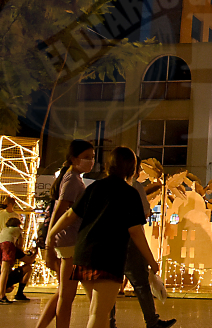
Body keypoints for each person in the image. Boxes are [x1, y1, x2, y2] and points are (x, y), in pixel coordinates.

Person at [47, 147, 159, 328]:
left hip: (83, 256)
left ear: (109, 165)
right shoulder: (130, 194)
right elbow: (135, 232)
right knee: (98, 314)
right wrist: (152, 261)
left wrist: (51, 236)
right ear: (132, 169)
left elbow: (70, 215)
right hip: (108, 258)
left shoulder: (95, 188)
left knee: (100, 312)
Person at [108, 156, 176, 328]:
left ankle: (109, 321)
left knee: (108, 286)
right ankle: (152, 321)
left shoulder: (101, 186)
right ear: (133, 169)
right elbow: (139, 222)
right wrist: (151, 260)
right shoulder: (134, 189)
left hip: (106, 244)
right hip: (130, 244)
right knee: (141, 283)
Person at [36, 139, 95, 328]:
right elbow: (60, 211)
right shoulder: (72, 179)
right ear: (73, 158)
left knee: (64, 292)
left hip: (68, 241)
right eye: (86, 157)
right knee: (66, 296)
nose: (91, 161)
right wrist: (49, 243)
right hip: (69, 242)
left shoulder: (72, 177)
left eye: (92, 157)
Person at [0, 216, 37, 303]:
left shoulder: (4, 230)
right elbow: (19, 245)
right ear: (17, 224)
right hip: (7, 245)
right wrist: (34, 251)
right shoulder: (17, 230)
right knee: (5, 271)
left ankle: (1, 292)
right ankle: (1, 296)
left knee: (3, 270)